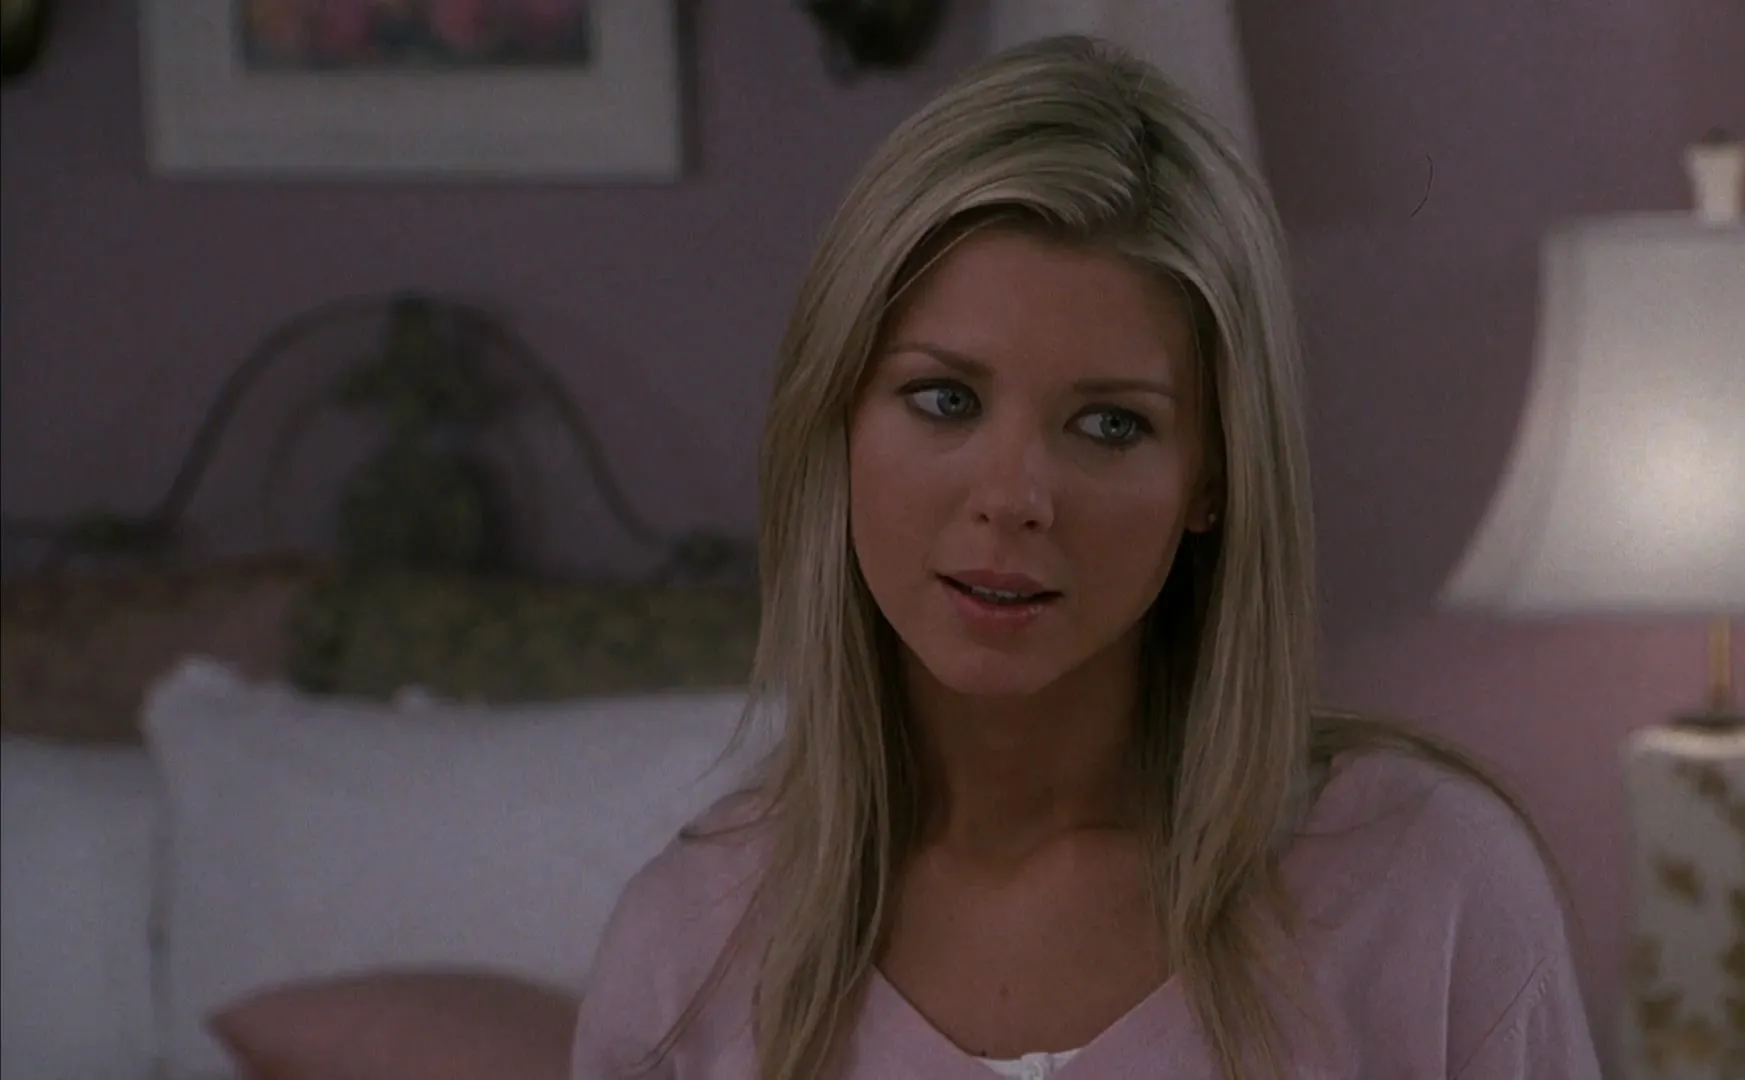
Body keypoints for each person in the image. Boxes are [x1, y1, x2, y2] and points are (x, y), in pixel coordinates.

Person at [573, 35, 1603, 1080]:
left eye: (1111, 425)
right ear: (837, 420)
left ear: (1212, 476)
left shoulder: (1426, 887)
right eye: (945, 400)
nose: (1015, 499)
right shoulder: (690, 949)